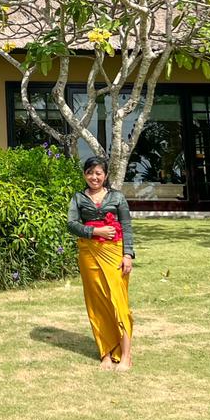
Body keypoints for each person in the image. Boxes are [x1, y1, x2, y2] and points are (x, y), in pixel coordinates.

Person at [68, 155, 135, 370]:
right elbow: (71, 224)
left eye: (98, 173)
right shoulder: (78, 198)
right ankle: (105, 352)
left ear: (105, 175)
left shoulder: (117, 197)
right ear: (84, 174)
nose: (94, 177)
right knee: (96, 302)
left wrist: (128, 255)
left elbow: (126, 226)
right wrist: (94, 230)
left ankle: (126, 355)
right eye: (89, 172)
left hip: (114, 253)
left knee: (118, 300)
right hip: (88, 253)